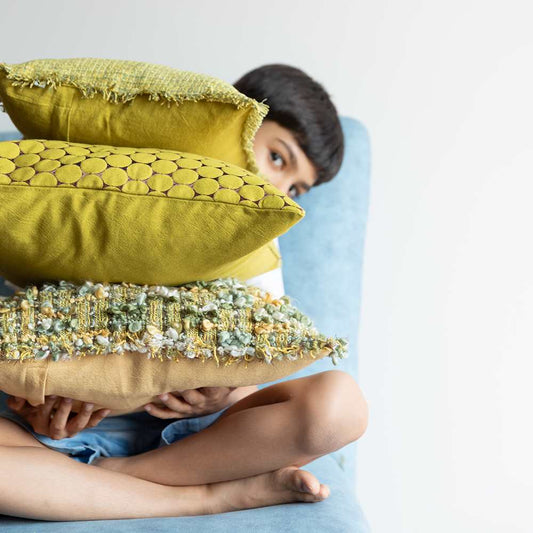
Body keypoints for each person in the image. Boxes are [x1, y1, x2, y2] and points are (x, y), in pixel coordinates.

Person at [0, 64, 368, 521]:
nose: (281, 191)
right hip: (62, 435)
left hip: (198, 440)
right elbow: (26, 331)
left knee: (341, 406)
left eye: (296, 188)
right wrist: (36, 400)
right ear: (234, 126)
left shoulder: (258, 244)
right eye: (277, 157)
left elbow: (250, 367)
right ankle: (208, 497)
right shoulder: (83, 195)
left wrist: (221, 395)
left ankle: (106, 479)